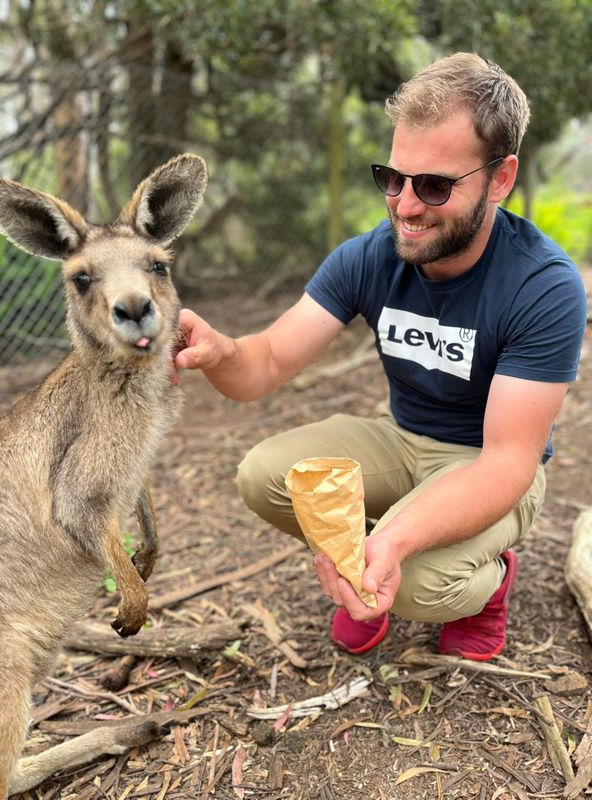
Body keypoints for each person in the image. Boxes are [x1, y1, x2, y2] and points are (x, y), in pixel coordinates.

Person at [174, 52, 588, 662]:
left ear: (500, 179)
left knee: (420, 585)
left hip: (486, 464)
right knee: (265, 475)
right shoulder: (370, 256)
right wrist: (220, 352)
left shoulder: (542, 285)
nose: (405, 205)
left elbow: (506, 463)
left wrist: (393, 537)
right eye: (393, 178)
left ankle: (489, 582)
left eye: (435, 185)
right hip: (400, 440)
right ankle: (366, 571)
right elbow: (264, 363)